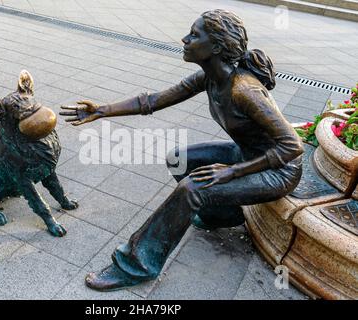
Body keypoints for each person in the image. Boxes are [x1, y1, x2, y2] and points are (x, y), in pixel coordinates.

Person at [60, 9, 304, 291]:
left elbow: (292, 146)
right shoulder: (209, 78)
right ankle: (224, 215)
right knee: (179, 159)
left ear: (216, 47)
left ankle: (137, 265)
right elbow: (152, 101)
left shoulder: (243, 90)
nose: (184, 39)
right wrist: (102, 110)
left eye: (194, 34)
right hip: (248, 154)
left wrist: (232, 171)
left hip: (277, 171)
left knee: (192, 189)